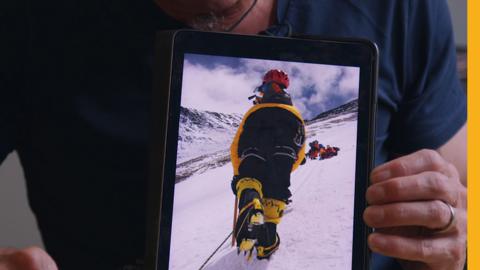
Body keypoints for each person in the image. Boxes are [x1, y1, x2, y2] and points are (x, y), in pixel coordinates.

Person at [0, 0, 467, 269]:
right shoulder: (26, 19)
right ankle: (264, 211)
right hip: (284, 132)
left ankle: (252, 196)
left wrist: (451, 240)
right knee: (276, 177)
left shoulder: (398, 7)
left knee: (257, 170)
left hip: (268, 133)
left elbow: (466, 195)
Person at [230, 69, 305, 260]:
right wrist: (287, 168)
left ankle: (250, 199)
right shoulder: (295, 113)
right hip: (284, 156)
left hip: (254, 144)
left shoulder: (255, 110)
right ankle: (267, 243)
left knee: (250, 177)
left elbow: (237, 144)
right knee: (274, 197)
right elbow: (301, 147)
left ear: (264, 86)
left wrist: (239, 173)